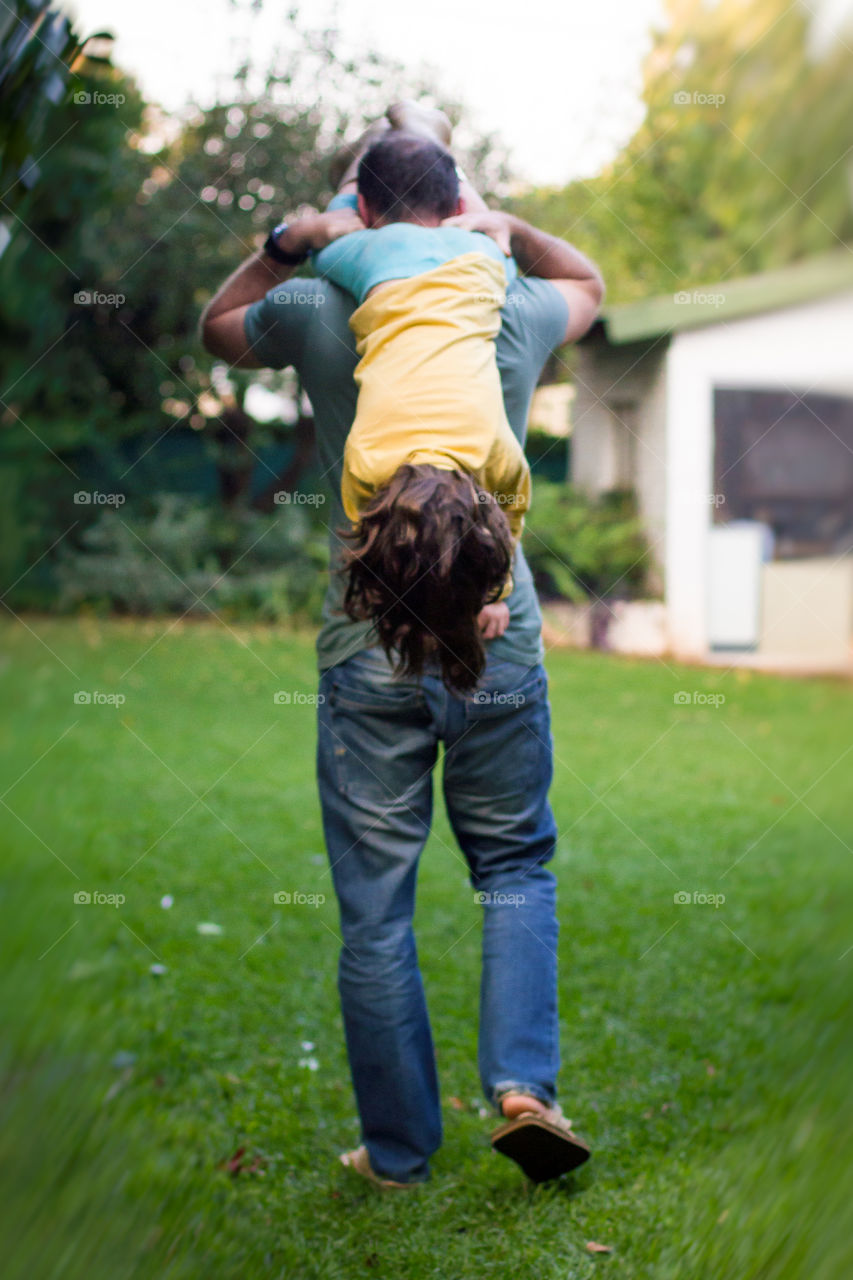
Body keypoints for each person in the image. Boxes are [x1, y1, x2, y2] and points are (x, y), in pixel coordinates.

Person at [201, 102, 605, 1188]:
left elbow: (217, 325)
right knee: (514, 863)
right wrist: (504, 225)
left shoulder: (317, 303)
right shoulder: (499, 302)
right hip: (496, 628)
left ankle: (397, 1150)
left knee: (376, 906)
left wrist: (298, 235)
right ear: (457, 211)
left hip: (365, 633)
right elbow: (591, 285)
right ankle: (526, 1089)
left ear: (365, 210)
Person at [311, 132, 532, 694]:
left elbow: (506, 514)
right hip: (475, 263)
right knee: (489, 236)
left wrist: (492, 591)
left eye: (359, 208)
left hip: (435, 263)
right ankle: (429, 140)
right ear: (453, 207)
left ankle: (409, 144)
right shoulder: (368, 464)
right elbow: (507, 520)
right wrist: (497, 595)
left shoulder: (492, 455)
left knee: (332, 238)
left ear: (366, 211)